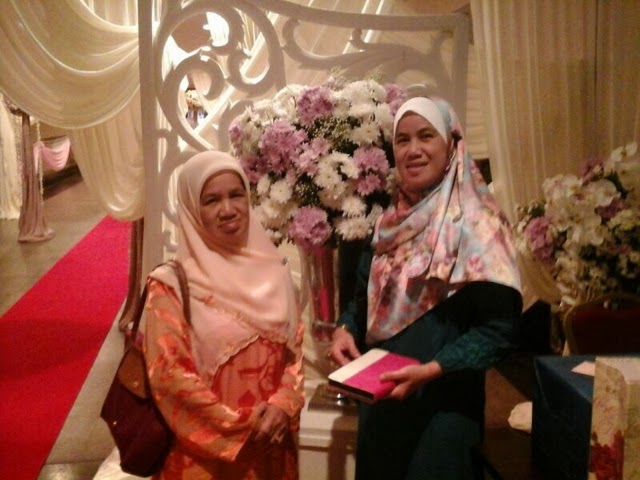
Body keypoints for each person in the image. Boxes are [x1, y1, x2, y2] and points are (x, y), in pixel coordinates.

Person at [330, 96, 523, 480]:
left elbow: (499, 331)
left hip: (442, 411)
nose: (413, 149)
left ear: (451, 144)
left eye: (426, 136)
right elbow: (363, 300)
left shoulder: (480, 226)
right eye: (402, 140)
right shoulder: (388, 223)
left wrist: (434, 369)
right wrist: (345, 328)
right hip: (381, 402)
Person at [143, 151, 305, 479]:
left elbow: (294, 354)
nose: (228, 209)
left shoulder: (274, 272)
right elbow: (169, 376)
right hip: (205, 461)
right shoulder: (171, 286)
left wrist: (282, 405)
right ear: (191, 209)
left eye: (236, 195)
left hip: (271, 451)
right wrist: (241, 427)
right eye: (211, 200)